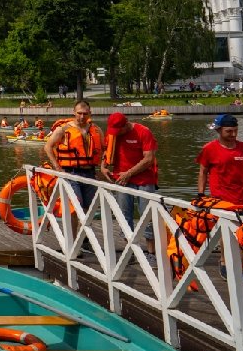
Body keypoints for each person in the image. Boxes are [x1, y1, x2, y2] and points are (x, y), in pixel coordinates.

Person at [101, 112, 158, 252]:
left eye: (118, 130)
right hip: (122, 180)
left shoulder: (143, 132)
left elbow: (149, 159)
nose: (116, 133)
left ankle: (152, 253)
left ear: (126, 124)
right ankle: (130, 252)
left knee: (147, 216)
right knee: (123, 215)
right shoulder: (112, 135)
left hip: (144, 180)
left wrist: (129, 173)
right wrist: (103, 167)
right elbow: (106, 152)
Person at [44, 99, 103, 212]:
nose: (82, 116)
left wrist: (102, 168)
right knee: (75, 208)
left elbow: (103, 150)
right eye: (79, 113)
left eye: (85, 114)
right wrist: (57, 167)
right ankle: (74, 230)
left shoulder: (96, 130)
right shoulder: (63, 129)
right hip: (71, 173)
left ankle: (84, 230)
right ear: (74, 112)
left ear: (90, 113)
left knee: (88, 209)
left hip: (90, 173)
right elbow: (48, 147)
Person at [197, 114, 243, 209]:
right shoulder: (209, 149)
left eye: (236, 130)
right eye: (229, 131)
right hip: (220, 203)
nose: (234, 134)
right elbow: (203, 172)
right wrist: (201, 194)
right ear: (218, 130)